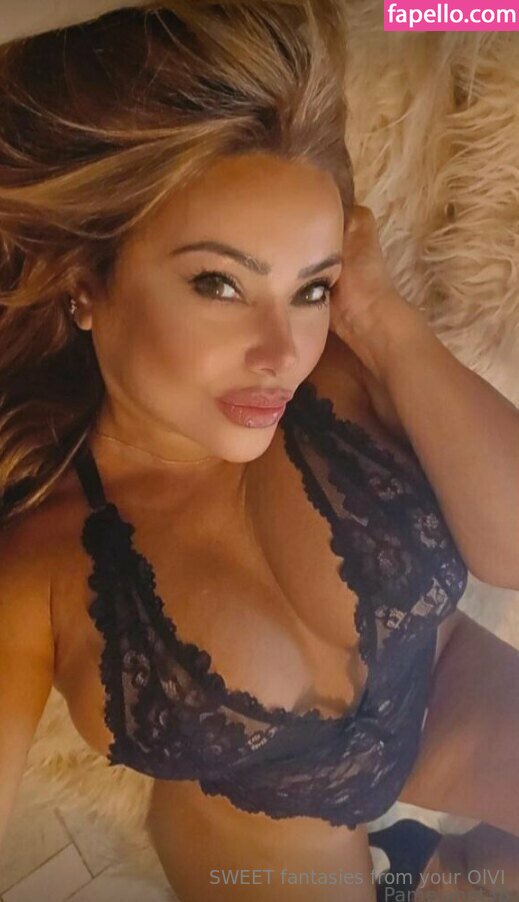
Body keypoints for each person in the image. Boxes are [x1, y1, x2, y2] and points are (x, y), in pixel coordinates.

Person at [0, 3, 518, 900]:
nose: (281, 353)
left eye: (309, 287)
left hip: (441, 690)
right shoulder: (42, 568)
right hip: (275, 823)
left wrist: (380, 318)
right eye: (219, 283)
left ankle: (426, 867)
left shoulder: (347, 365)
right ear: (88, 284)